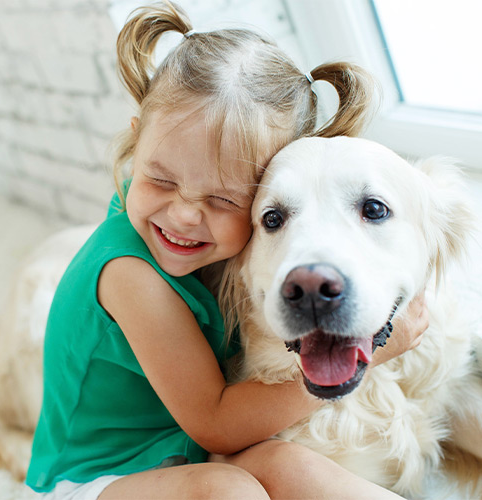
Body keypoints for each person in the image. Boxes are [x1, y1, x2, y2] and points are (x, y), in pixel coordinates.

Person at [26, 2, 428, 499]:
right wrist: (380, 348)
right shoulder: (130, 276)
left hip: (182, 453)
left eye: (221, 200)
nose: (185, 215)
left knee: (285, 463)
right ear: (136, 144)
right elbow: (215, 422)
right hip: (99, 478)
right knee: (227, 489)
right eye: (160, 179)